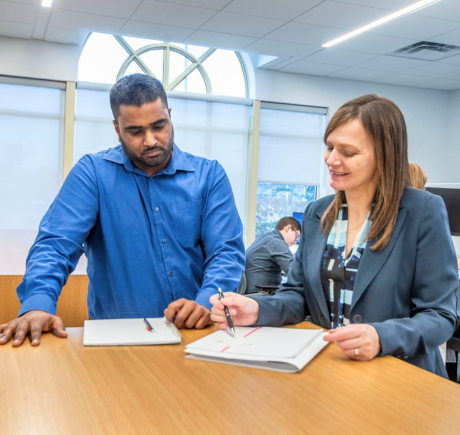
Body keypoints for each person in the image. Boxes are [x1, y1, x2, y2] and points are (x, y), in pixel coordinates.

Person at [210, 94, 458, 378]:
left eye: (348, 152)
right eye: (329, 147)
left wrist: (380, 336)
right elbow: (297, 296)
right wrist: (256, 308)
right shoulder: (318, 213)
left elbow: (440, 316)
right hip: (331, 372)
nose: (331, 159)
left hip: (401, 378)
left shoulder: (422, 211)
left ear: (385, 155)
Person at [0, 74, 245, 347]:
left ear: (170, 115)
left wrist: (207, 301)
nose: (151, 140)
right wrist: (37, 305)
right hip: (117, 339)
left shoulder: (209, 176)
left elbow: (226, 252)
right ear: (117, 128)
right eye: (135, 131)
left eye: (159, 125)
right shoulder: (92, 173)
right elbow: (56, 245)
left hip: (196, 334)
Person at [245, 217, 300, 294]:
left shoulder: (267, 237)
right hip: (259, 294)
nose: (295, 242)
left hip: (251, 292)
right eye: (296, 237)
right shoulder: (277, 242)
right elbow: (294, 271)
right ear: (288, 228)